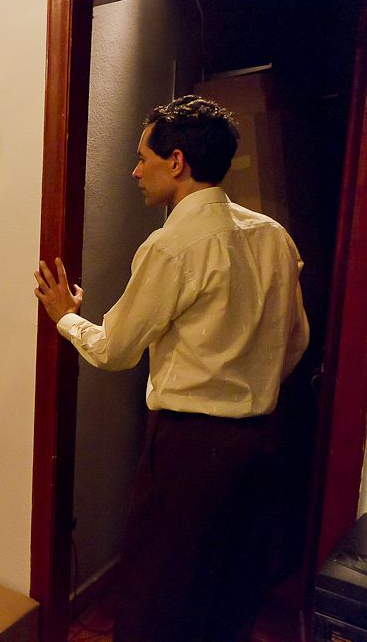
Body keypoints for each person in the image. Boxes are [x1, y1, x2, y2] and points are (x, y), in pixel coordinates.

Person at [34, 96, 309, 641]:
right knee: (229, 586)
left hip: (190, 448)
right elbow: (296, 340)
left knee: (162, 591)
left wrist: (66, 318)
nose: (136, 171)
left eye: (143, 157)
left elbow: (116, 349)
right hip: (259, 443)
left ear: (176, 161)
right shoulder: (273, 235)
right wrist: (249, 386)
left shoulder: (172, 246)